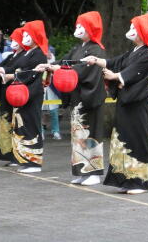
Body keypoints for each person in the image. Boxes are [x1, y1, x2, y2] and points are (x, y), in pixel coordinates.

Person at [83, 13, 148, 194]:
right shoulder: (132, 52)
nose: (130, 31)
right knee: (122, 138)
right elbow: (113, 62)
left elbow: (133, 73)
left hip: (137, 103)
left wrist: (116, 76)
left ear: (143, 31)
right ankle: (125, 179)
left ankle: (138, 181)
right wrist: (96, 60)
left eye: (134, 28)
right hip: (125, 101)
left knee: (136, 139)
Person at [36, 11, 106, 186]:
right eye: (78, 25)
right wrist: (51, 66)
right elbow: (65, 62)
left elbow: (82, 70)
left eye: (82, 26)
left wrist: (61, 70)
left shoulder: (97, 50)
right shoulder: (78, 48)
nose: (78, 28)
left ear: (91, 28)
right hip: (77, 97)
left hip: (90, 98)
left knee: (91, 133)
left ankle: (94, 172)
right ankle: (81, 170)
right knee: (78, 135)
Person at [0, 21, 48, 173]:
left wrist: (8, 76)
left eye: (28, 34)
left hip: (32, 93)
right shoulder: (29, 52)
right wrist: (2, 71)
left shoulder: (39, 53)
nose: (25, 37)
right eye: (25, 34)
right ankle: (25, 159)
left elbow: (29, 73)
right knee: (22, 126)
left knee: (31, 125)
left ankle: (34, 162)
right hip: (21, 93)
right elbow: (16, 68)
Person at [0, 28, 27, 165]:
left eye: (15, 39)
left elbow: (14, 71)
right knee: (7, 123)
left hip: (16, 94)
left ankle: (17, 156)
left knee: (16, 124)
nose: (13, 42)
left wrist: (0, 72)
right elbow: (1, 66)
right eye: (12, 39)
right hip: (7, 93)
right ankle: (9, 155)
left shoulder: (25, 56)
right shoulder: (12, 55)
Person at [41, 46, 61, 140]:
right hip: (41, 88)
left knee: (54, 111)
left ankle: (56, 131)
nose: (47, 53)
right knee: (39, 111)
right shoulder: (38, 58)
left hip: (52, 89)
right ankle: (40, 132)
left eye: (49, 52)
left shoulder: (54, 62)